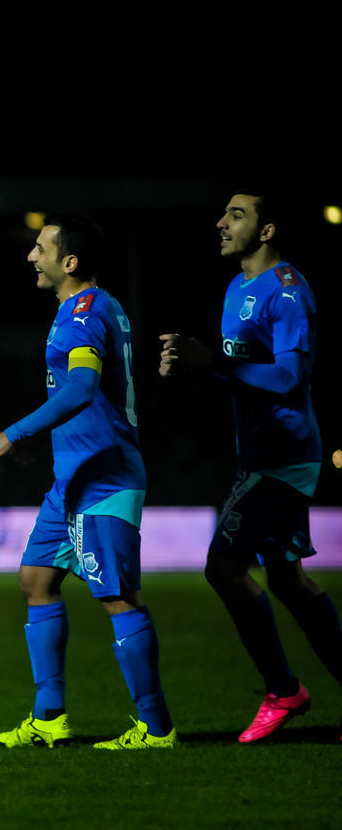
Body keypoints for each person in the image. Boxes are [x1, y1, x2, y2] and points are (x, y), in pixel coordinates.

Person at [0, 214, 178, 750]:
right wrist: (43, 444)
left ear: (68, 262)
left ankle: (156, 727)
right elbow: (82, 394)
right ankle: (48, 717)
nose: (30, 256)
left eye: (39, 248)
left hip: (103, 479)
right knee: (35, 579)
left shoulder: (83, 314)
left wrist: (13, 435)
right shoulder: (87, 308)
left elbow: (83, 388)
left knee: (117, 598)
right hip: (72, 477)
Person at [159, 189, 340, 743]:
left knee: (224, 568)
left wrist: (210, 361)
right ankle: (287, 690)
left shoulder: (287, 293)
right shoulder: (238, 287)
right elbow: (242, 376)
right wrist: (198, 369)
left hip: (282, 455)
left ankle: (284, 690)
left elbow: (288, 380)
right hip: (262, 451)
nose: (220, 222)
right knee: (286, 579)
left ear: (266, 231)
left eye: (236, 215)